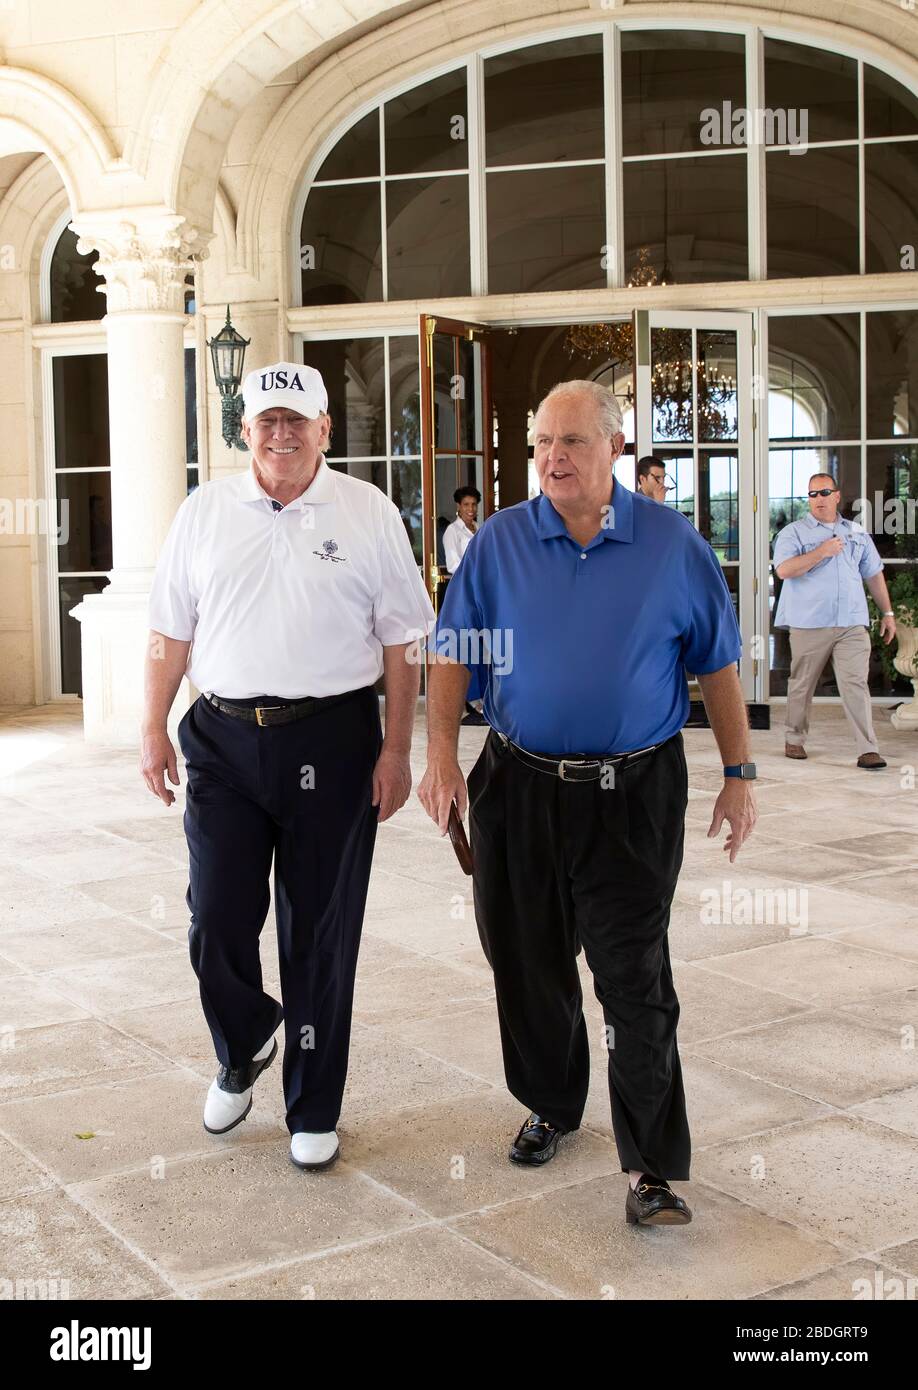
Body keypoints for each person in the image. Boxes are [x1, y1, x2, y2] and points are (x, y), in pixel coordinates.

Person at [418, 380, 757, 1228]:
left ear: (615, 448)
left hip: (633, 793)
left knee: (633, 977)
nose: (553, 458)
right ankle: (553, 1101)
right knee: (525, 960)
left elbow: (716, 664)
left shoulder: (672, 544)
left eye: (570, 441)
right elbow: (453, 653)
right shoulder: (499, 543)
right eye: (541, 444)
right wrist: (441, 758)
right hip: (519, 785)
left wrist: (741, 774)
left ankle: (652, 1167)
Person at [140, 362, 435, 1171]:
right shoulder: (203, 512)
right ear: (244, 430)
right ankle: (244, 1042)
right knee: (218, 919)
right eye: (267, 419)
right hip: (223, 741)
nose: (281, 433)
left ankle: (313, 1106)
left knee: (320, 931)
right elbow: (170, 630)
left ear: (325, 430)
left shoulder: (366, 512)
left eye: (297, 420)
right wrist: (152, 727)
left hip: (332, 741)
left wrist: (398, 747)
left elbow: (405, 641)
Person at [772, 472, 896, 768]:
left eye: (824, 492)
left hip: (851, 622)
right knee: (802, 683)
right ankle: (794, 738)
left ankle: (868, 748)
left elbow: (873, 574)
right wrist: (821, 552)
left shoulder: (855, 532)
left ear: (837, 496)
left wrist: (888, 613)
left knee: (855, 683)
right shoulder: (794, 533)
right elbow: (784, 570)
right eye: (812, 494)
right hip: (809, 622)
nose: (818, 499)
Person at [443, 486, 480, 574]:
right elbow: (453, 565)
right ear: (459, 506)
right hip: (465, 581)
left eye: (474, 504)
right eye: (466, 504)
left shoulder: (479, 528)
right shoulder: (452, 530)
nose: (471, 509)